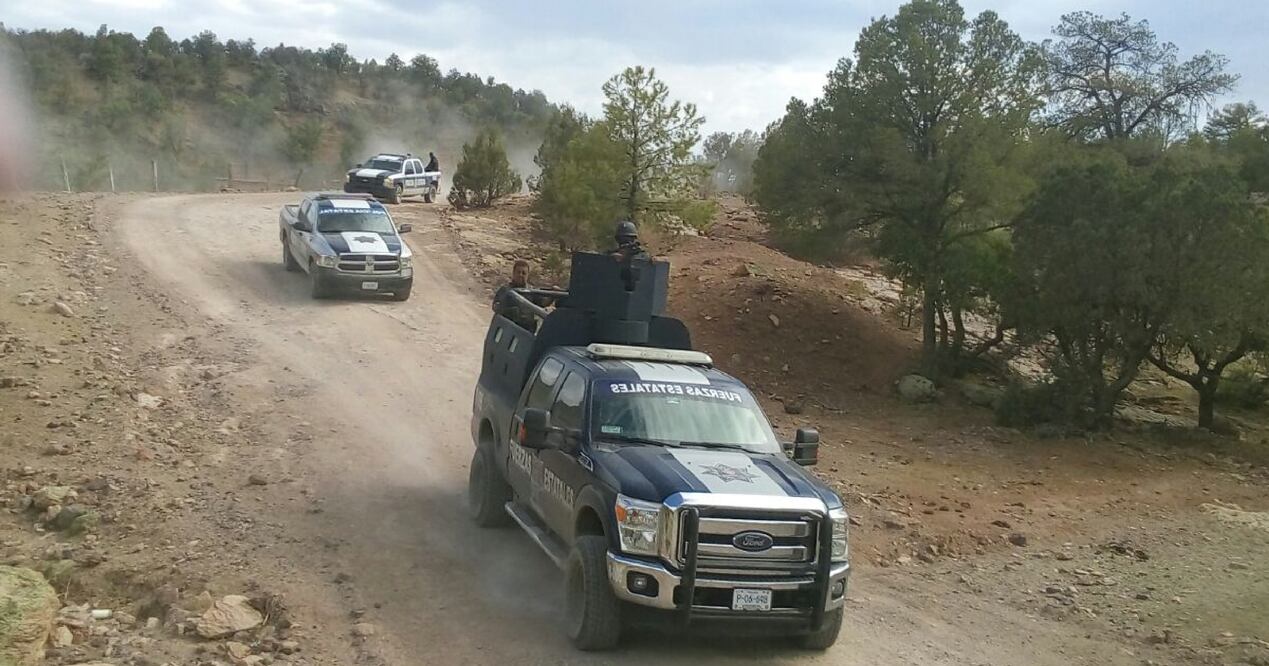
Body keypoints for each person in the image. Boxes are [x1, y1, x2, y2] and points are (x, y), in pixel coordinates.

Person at [492, 259, 553, 331]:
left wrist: (553, 295)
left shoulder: (531, 291)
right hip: (507, 329)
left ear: (527, 275)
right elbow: (496, 307)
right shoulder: (505, 290)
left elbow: (543, 303)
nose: (520, 275)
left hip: (525, 331)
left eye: (524, 273)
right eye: (518, 272)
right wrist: (511, 311)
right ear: (513, 273)